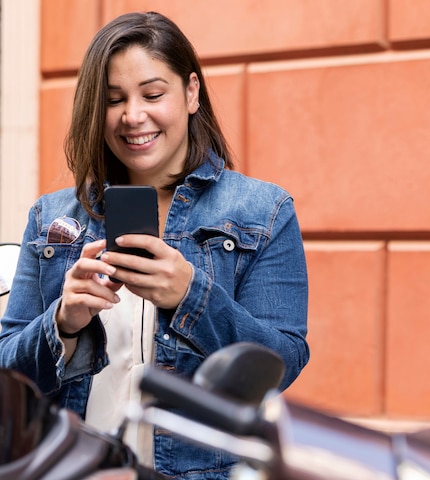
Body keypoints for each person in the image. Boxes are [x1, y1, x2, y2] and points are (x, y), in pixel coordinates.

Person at [0, 11, 309, 480]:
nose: (133, 116)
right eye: (114, 99)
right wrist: (62, 323)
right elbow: (8, 376)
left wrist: (193, 298)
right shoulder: (53, 219)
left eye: (152, 94)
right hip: (78, 470)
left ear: (190, 92)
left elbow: (280, 366)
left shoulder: (262, 211)